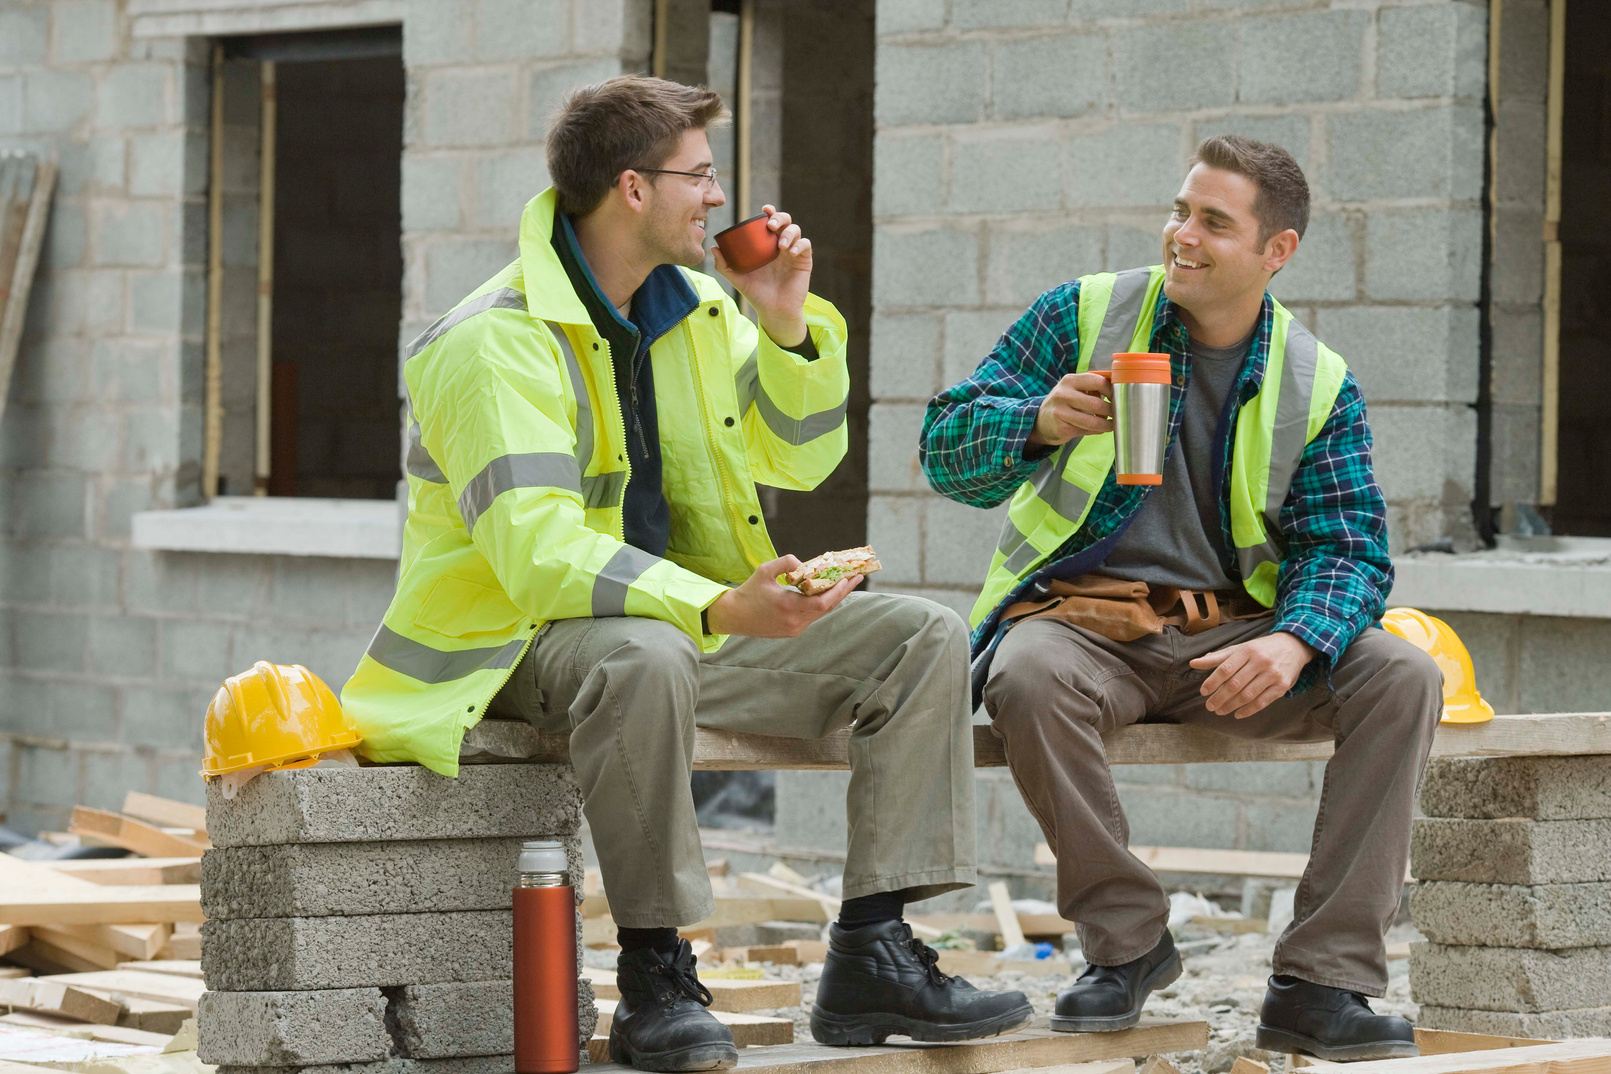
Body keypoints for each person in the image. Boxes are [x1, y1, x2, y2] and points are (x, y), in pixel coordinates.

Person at [341, 76, 1030, 1071]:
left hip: (678, 620)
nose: (719, 198)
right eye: (700, 176)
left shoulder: (699, 311)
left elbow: (799, 457)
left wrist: (788, 324)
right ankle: (655, 976)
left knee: (921, 638)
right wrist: (713, 601)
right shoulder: (493, 341)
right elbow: (535, 555)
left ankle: (874, 950)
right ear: (631, 188)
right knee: (645, 656)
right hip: (514, 640)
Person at [919, 136, 1442, 1062]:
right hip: (1084, 625)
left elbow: (1351, 551)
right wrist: (1033, 422)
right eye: (1178, 211)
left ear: (1275, 251)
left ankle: (1320, 984)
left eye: (1212, 222)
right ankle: (1126, 949)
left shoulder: (1315, 380)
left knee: (1399, 675)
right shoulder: (1083, 314)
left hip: (1236, 641)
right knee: (1027, 677)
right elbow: (945, 450)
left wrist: (1292, 644)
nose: (1181, 236)